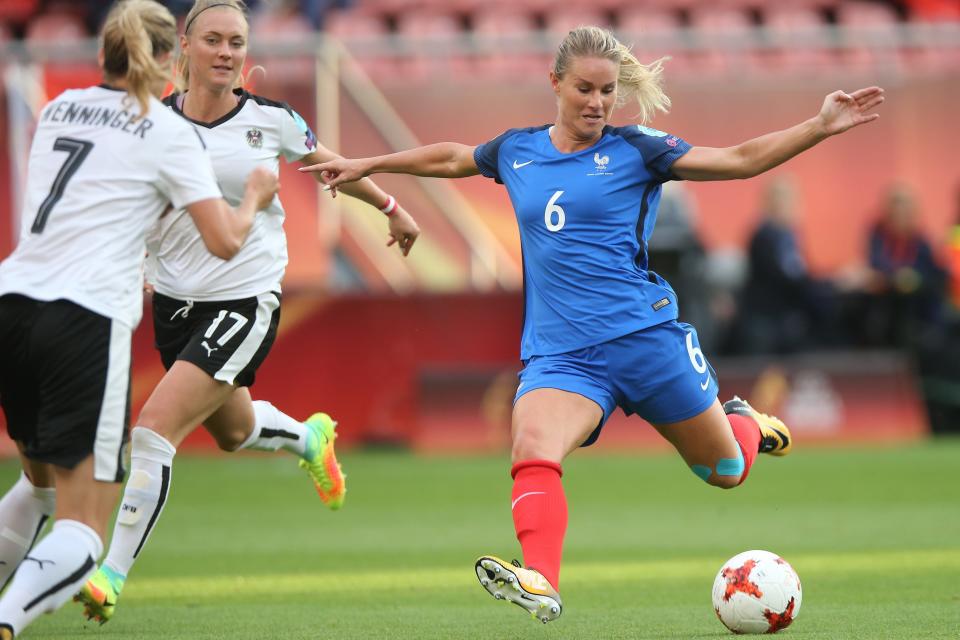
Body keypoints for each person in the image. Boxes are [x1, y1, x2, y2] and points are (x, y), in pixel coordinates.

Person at [303, 25, 884, 623]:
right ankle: (541, 580)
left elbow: (737, 162)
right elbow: (452, 155)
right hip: (563, 356)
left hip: (645, 341)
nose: (597, 103)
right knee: (531, 443)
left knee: (726, 472)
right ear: (555, 82)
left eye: (608, 91)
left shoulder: (638, 150)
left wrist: (817, 127)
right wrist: (369, 164)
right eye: (584, 89)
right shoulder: (517, 150)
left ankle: (745, 425)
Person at [74, 0, 421, 624]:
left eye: (237, 41)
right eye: (214, 40)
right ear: (185, 45)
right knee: (231, 432)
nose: (227, 53)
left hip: (246, 298)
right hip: (176, 302)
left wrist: (391, 206)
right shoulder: (151, 122)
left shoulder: (271, 121)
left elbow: (327, 166)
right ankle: (309, 437)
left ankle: (110, 574)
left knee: (153, 429)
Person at [0, 1, 279, 637]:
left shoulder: (57, 109)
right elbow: (225, 240)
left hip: (12, 303)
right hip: (83, 323)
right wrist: (256, 197)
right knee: (82, 529)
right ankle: (7, 620)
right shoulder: (166, 130)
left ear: (104, 54)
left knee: (38, 485)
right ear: (169, 59)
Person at [734, 176, 836, 354]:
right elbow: (791, 277)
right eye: (784, 201)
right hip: (765, 323)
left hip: (781, 320)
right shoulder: (766, 235)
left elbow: (800, 274)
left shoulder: (788, 235)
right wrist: (831, 284)